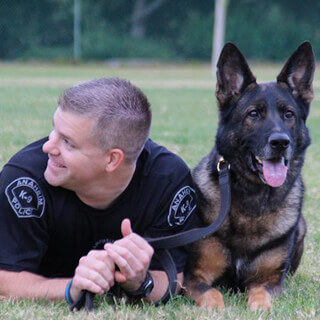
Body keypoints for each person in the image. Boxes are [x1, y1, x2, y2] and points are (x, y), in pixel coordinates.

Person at [0, 77, 199, 306]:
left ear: (112, 159)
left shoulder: (168, 182)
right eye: (54, 131)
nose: (48, 146)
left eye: (68, 142)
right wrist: (71, 288)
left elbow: (172, 281)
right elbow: (5, 279)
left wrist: (140, 282)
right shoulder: (24, 181)